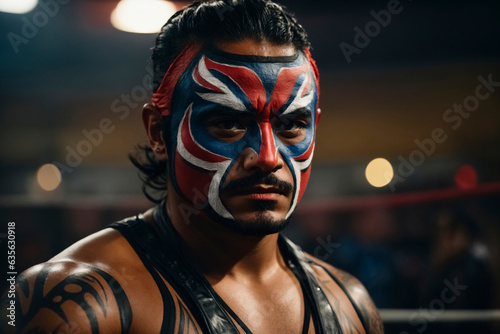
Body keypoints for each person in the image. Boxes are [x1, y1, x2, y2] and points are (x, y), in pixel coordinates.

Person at [7, 0, 383, 333]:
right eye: (228, 123)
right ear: (158, 132)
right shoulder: (76, 302)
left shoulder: (349, 304)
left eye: (290, 126)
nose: (268, 156)